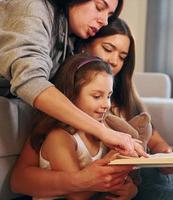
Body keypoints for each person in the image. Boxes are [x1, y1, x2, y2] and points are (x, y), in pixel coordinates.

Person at [11, 18, 173, 199]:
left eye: (122, 56)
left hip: (141, 178)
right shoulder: (63, 111)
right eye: (108, 49)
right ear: (84, 46)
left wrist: (164, 152)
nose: (114, 61)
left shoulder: (120, 93)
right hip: (126, 185)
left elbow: (151, 135)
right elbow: (71, 185)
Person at [0, 0, 146, 158]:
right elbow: (30, 80)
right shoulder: (31, 7)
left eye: (109, 15)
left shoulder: (69, 34)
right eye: (99, 7)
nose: (104, 21)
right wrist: (103, 132)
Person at [30, 53, 137, 200]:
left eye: (108, 95)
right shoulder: (59, 137)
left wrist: (129, 190)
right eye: (97, 96)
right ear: (71, 94)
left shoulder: (104, 131)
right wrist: (114, 161)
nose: (106, 104)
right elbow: (77, 194)